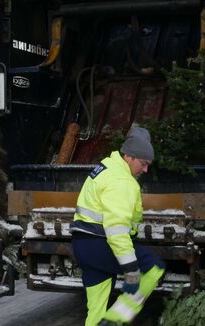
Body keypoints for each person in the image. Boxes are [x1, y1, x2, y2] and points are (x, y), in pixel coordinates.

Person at [70, 127, 165, 326]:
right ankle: (116, 318)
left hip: (83, 245)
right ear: (129, 156)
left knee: (96, 310)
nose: (145, 170)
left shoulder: (105, 168)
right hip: (100, 244)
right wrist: (131, 269)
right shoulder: (122, 181)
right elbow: (117, 230)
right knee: (154, 268)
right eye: (143, 163)